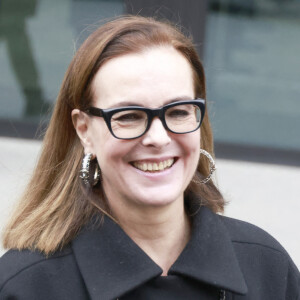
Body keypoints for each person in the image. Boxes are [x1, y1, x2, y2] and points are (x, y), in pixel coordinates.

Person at [0, 15, 299, 300]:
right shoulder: (26, 285)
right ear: (84, 130)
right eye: (129, 116)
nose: (158, 138)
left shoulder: (267, 268)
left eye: (178, 112)